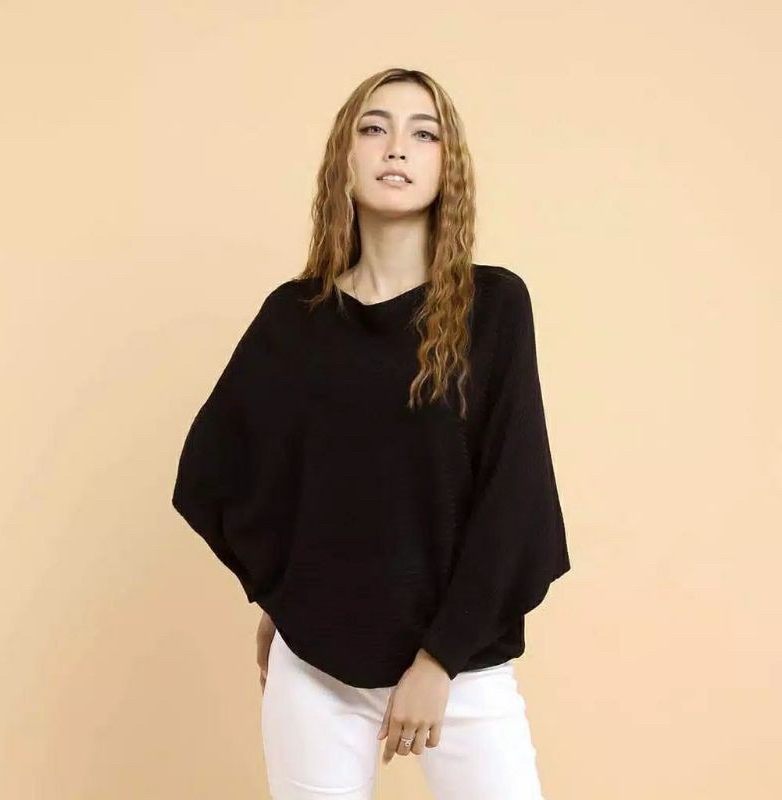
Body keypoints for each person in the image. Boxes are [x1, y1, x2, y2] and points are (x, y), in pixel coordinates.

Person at [171, 67, 571, 800]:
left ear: (449, 166)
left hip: (460, 665)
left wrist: (439, 661)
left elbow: (515, 498)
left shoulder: (495, 307)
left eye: (424, 134)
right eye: (374, 128)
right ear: (345, 158)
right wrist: (281, 594)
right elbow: (222, 472)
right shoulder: (296, 319)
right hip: (314, 669)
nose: (397, 148)